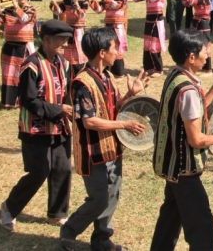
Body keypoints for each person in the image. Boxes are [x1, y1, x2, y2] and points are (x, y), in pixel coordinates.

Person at [59, 27, 148, 251]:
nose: (116, 52)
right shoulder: (82, 83)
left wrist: (130, 95)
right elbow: (89, 121)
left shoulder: (107, 77)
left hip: (112, 148)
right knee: (99, 198)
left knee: (112, 195)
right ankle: (69, 230)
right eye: (113, 48)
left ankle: (101, 240)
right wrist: (124, 124)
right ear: (101, 52)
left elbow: (112, 108)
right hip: (92, 151)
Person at [149, 29, 213, 251]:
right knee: (201, 226)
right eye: (204, 51)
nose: (207, 56)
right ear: (191, 57)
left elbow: (192, 111)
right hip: (184, 170)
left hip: (171, 165)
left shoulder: (175, 77)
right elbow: (195, 139)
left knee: (170, 219)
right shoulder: (188, 90)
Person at [0, 19, 74, 232]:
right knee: (39, 171)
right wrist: (59, 109)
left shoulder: (64, 63)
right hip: (34, 128)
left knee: (63, 168)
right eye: (61, 39)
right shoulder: (31, 65)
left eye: (67, 40)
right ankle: (9, 207)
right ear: (47, 39)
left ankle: (56, 213)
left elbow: (67, 92)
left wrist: (70, 108)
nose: (64, 44)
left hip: (59, 127)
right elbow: (28, 100)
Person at [1, 0, 38, 109]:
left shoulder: (32, 9)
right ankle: (9, 102)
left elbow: (24, 19)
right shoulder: (7, 11)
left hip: (25, 46)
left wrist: (15, 5)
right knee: (9, 73)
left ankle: (24, 100)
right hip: (9, 46)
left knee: (23, 73)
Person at [92, 0, 132, 78]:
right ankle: (107, 71)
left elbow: (116, 5)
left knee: (117, 49)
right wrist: (93, 0)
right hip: (108, 27)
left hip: (118, 27)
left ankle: (118, 72)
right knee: (107, 48)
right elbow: (99, 10)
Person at [49, 0, 91, 73]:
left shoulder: (85, 0)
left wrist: (76, 4)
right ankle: (67, 72)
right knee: (67, 50)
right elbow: (59, 12)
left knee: (79, 51)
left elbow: (82, 15)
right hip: (68, 28)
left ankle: (78, 72)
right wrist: (53, 1)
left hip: (79, 30)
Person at [183, 0, 213, 72]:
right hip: (197, 22)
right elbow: (188, 3)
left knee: (205, 44)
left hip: (203, 23)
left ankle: (208, 69)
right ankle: (201, 65)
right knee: (198, 44)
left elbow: (193, 1)